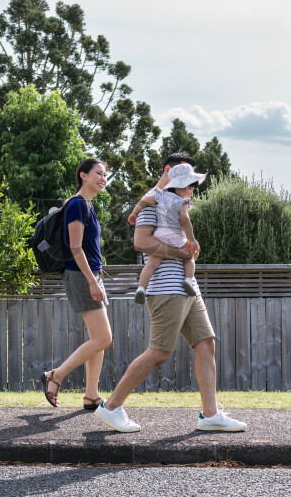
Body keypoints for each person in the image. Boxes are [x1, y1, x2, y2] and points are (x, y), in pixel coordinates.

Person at [94, 153, 247, 433]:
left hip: (187, 287)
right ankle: (111, 407)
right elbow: (141, 242)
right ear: (168, 170)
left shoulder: (178, 201)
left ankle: (210, 414)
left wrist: (189, 251)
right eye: (186, 178)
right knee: (159, 353)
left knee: (206, 343)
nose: (191, 186)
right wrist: (181, 253)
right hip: (165, 287)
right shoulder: (153, 201)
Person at [40, 158, 112, 410]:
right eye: (98, 173)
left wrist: (96, 278)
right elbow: (75, 248)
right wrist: (92, 282)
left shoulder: (87, 205)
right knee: (103, 338)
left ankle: (91, 395)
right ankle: (55, 375)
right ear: (83, 175)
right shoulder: (78, 204)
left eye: (105, 175)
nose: (103, 178)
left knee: (97, 339)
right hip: (82, 276)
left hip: (91, 275)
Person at [127, 162, 206, 303]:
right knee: (189, 257)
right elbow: (185, 221)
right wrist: (192, 239)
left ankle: (141, 288)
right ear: (180, 186)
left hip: (160, 235)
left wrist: (134, 213)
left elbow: (144, 201)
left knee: (151, 264)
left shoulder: (160, 195)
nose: (191, 192)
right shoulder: (182, 203)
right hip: (176, 236)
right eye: (190, 188)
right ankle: (188, 279)